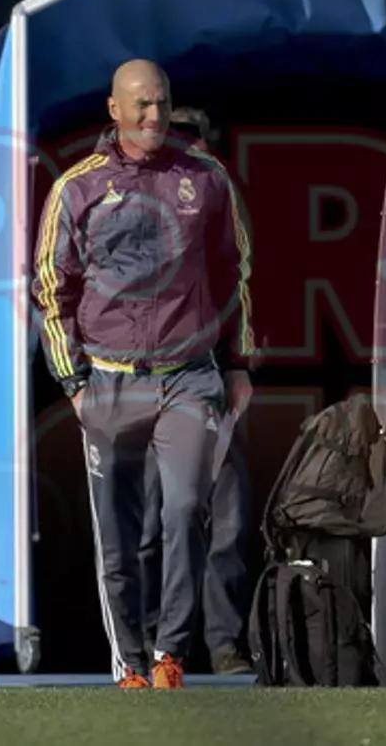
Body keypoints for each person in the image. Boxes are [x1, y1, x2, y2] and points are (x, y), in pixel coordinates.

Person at [31, 59, 254, 689]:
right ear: (115, 110)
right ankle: (128, 661)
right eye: (141, 106)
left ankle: (169, 653)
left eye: (161, 104)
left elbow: (234, 272)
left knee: (184, 508)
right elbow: (52, 288)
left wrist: (237, 363)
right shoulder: (78, 187)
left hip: (188, 375)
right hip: (108, 378)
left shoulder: (204, 177)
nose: (154, 116)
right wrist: (73, 382)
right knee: (120, 532)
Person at [139, 106, 253, 676]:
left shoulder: (218, 197)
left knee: (227, 515)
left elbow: (242, 284)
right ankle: (159, 646)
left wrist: (238, 365)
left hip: (206, 379)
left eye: (192, 140)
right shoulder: (129, 201)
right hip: (140, 386)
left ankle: (224, 643)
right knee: (155, 519)